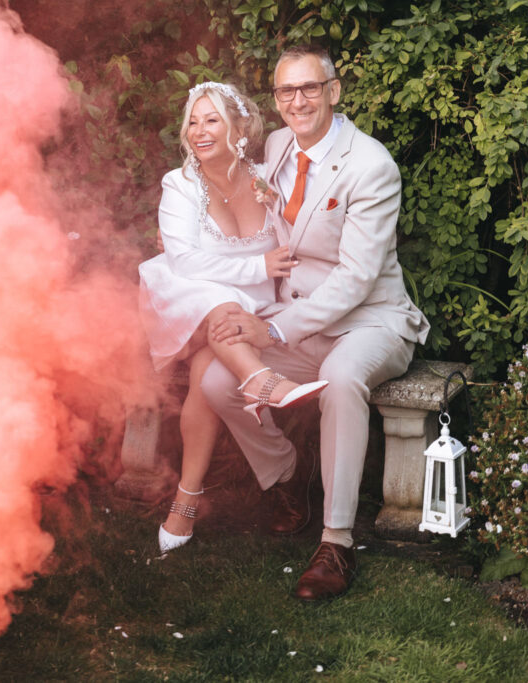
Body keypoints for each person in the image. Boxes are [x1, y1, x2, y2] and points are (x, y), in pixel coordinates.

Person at [202, 44, 430, 600]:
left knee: (344, 380)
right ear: (276, 99)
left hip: (370, 321)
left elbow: (355, 280)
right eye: (286, 90)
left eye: (309, 88)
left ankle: (337, 541)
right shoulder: (279, 146)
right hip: (300, 316)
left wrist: (275, 330)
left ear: (334, 90)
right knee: (214, 377)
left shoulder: (371, 165)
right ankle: (286, 476)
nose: (297, 100)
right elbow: (254, 219)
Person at [138, 81, 328, 554]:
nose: (199, 131)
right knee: (221, 310)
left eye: (212, 120)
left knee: (207, 374)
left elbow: (304, 230)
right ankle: (263, 382)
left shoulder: (268, 179)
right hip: (190, 299)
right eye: (193, 122)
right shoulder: (179, 185)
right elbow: (184, 263)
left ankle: (187, 498)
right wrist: (257, 266)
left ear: (239, 128)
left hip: (258, 305)